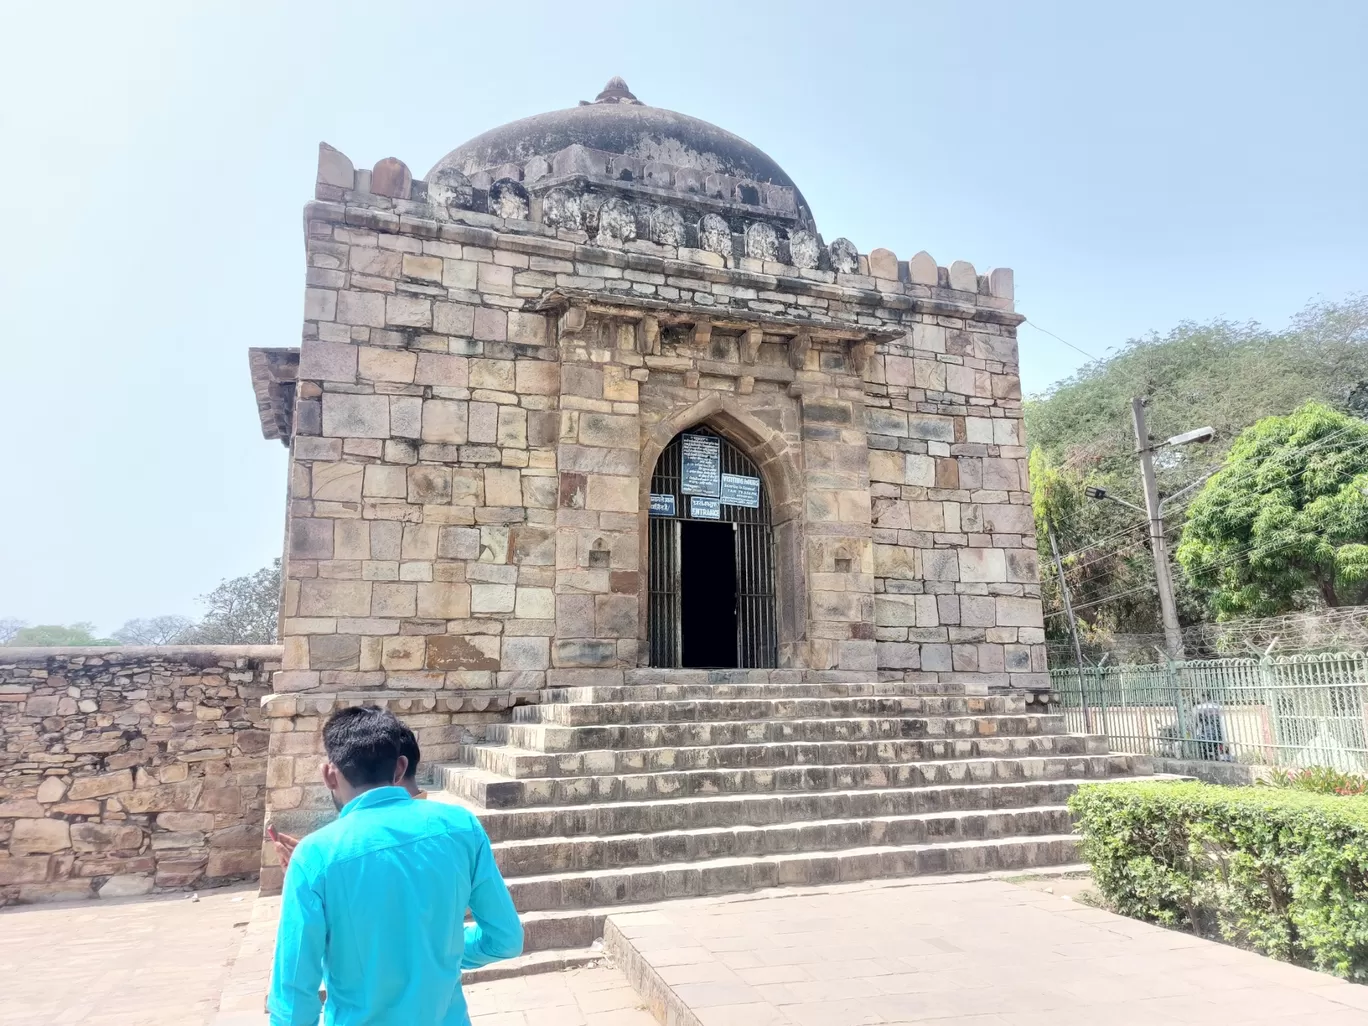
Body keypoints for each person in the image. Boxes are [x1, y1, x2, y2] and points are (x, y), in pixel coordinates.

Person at [268, 705, 522, 1025]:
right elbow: (506, 940)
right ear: (400, 768)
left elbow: (294, 998)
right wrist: (441, 949)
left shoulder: (314, 857)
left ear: (329, 774)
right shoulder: (461, 827)